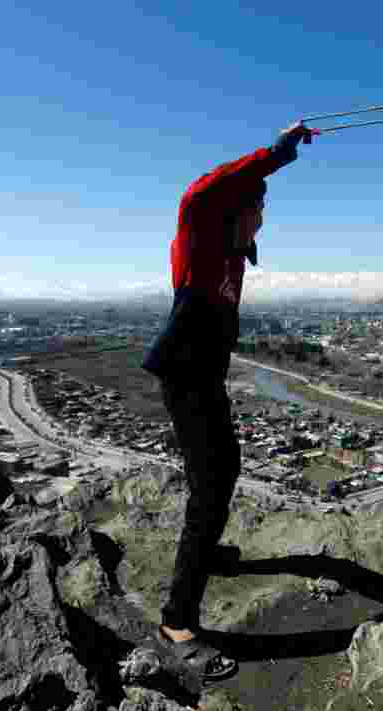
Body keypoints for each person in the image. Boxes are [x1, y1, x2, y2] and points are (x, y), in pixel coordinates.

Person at [141, 121, 313, 683]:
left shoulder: (232, 258)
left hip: (204, 378)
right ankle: (176, 625)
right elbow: (204, 192)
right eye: (257, 210)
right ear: (234, 210)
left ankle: (207, 555)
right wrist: (278, 153)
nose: (262, 220)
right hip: (185, 378)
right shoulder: (199, 238)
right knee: (211, 486)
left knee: (223, 472)